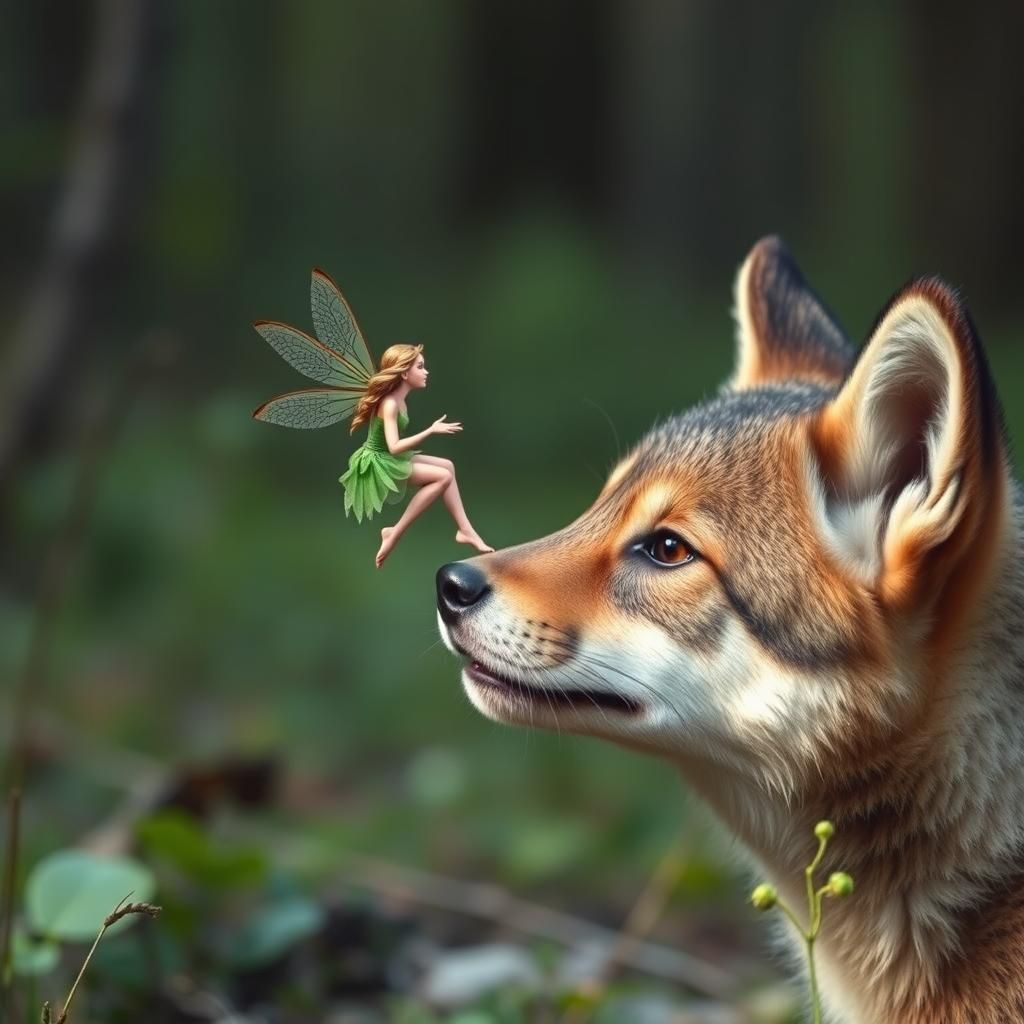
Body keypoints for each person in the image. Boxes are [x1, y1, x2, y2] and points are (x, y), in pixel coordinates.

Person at [340, 343, 493, 568]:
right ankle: (394, 532)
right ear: (404, 373)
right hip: (379, 464)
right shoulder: (390, 404)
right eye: (420, 367)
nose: (426, 372)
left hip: (387, 457)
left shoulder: (399, 400)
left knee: (447, 466)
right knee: (442, 477)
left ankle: (465, 529)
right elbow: (394, 447)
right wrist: (430, 430)